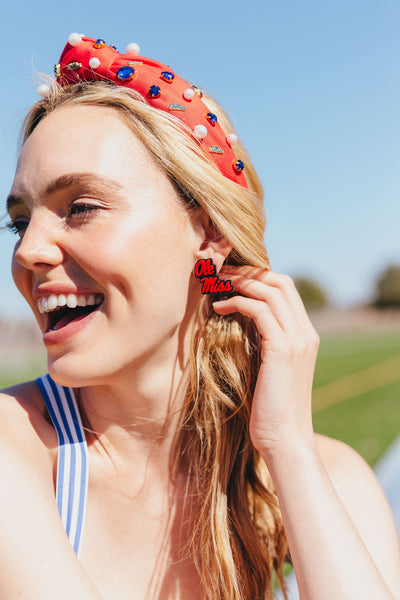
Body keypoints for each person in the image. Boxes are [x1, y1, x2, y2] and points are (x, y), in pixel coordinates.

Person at [1, 33, 399, 600]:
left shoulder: (322, 475)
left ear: (208, 233)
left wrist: (287, 446)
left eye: (80, 207)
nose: (27, 251)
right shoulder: (13, 451)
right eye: (20, 221)